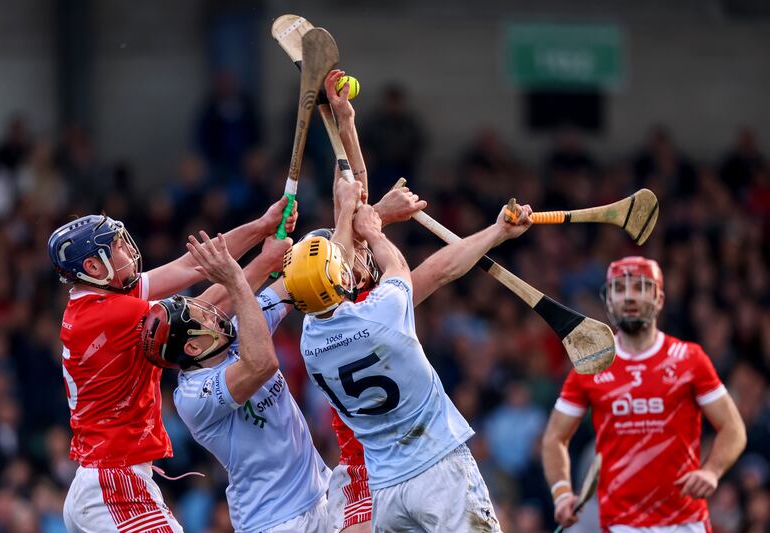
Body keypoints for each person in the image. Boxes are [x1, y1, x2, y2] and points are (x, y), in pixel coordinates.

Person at [284, 160, 532, 532]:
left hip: (386, 490)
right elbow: (428, 269)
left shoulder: (310, 341)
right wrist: (375, 229)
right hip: (437, 468)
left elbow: (334, 271)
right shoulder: (383, 311)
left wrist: (348, 211)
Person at [48, 197, 296, 532]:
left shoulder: (100, 298)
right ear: (94, 267)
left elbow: (190, 266)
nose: (128, 250)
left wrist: (263, 225)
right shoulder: (109, 315)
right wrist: (266, 262)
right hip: (114, 483)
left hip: (103, 480)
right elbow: (199, 317)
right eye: (117, 246)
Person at [541, 256, 747, 533]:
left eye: (640, 287)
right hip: (621, 524)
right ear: (608, 300)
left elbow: (733, 428)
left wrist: (712, 470)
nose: (629, 297)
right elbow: (555, 437)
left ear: (659, 298)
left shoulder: (690, 359)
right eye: (620, 289)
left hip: (686, 522)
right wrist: (563, 493)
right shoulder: (591, 366)